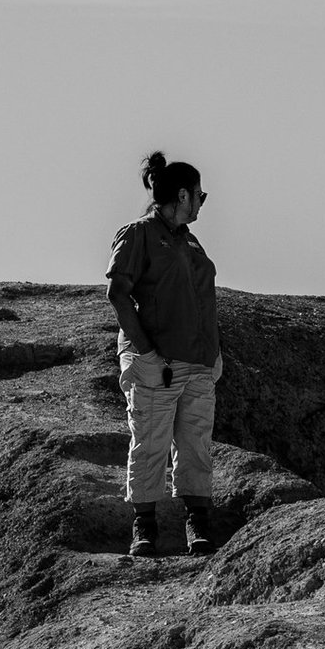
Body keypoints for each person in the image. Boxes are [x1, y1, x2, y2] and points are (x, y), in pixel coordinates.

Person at [105, 151, 221, 558]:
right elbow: (118, 294)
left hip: (197, 363)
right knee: (150, 443)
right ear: (184, 195)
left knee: (195, 445)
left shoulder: (190, 242)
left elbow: (202, 300)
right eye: (200, 196)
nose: (201, 203)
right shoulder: (138, 234)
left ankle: (198, 525)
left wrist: (214, 355)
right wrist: (147, 353)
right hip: (156, 362)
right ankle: (145, 530)